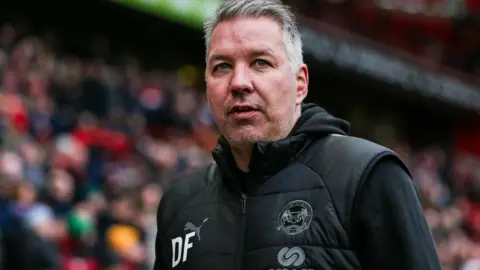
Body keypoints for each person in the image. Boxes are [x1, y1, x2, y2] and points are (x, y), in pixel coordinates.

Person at [154, 0, 442, 269]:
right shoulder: (179, 204)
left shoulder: (368, 176)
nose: (239, 82)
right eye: (223, 67)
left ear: (300, 84)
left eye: (260, 63)